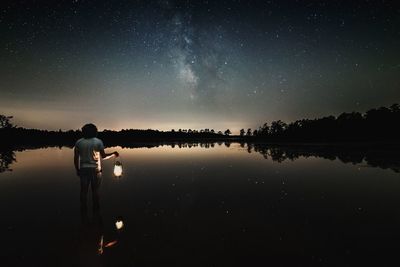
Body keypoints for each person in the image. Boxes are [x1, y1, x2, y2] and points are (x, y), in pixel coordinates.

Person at [74, 123, 119, 211]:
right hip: (96, 170)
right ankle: (96, 212)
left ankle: (83, 211)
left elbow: (76, 158)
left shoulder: (79, 142)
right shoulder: (98, 142)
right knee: (95, 191)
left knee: (83, 191)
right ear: (95, 132)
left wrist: (77, 169)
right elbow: (104, 156)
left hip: (83, 169)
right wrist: (113, 154)